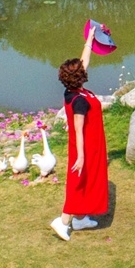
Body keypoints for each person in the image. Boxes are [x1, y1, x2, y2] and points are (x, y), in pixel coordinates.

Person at [50, 58, 109, 241]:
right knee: (78, 183)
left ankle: (81, 219)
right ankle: (64, 220)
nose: (85, 69)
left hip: (90, 144)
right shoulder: (79, 101)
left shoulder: (72, 91)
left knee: (88, 180)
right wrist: (81, 156)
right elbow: (77, 128)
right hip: (84, 147)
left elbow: (83, 61)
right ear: (80, 77)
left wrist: (90, 39)